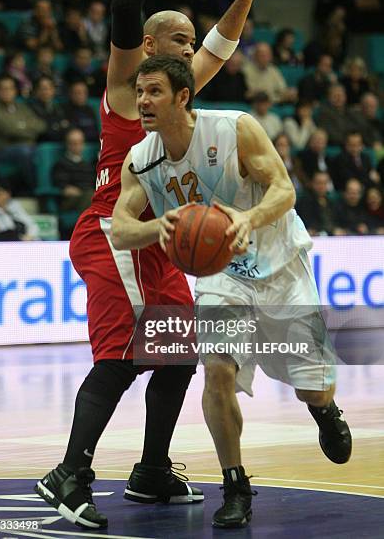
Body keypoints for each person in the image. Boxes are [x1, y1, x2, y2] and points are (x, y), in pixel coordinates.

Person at [34, 0, 257, 530]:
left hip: (158, 238)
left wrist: (241, 2)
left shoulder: (176, 90)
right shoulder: (133, 89)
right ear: (150, 43)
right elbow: (126, 4)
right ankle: (68, 476)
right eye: (179, 39)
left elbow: (221, 48)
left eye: (191, 43)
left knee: (179, 354)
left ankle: (151, 470)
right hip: (115, 232)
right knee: (121, 357)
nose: (191, 49)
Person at [111, 54, 352, 529]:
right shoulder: (141, 159)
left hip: (280, 263)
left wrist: (247, 218)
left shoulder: (233, 129)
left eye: (153, 91)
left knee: (312, 389)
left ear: (182, 96)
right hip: (222, 274)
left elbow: (284, 189)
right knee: (217, 372)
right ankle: (235, 483)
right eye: (139, 91)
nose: (142, 100)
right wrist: (158, 226)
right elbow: (120, 229)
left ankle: (324, 411)